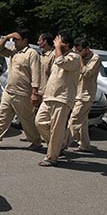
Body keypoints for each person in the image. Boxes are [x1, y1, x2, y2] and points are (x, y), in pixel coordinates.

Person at [0, 29, 42, 150]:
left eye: (17, 40)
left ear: (25, 40)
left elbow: (36, 74)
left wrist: (35, 92)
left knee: (27, 119)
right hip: (9, 90)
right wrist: (7, 37)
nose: (14, 42)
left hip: (23, 92)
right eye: (13, 40)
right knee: (2, 115)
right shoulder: (14, 51)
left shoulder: (31, 54)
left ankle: (36, 141)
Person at [35, 31, 81, 166]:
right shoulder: (58, 55)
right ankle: (58, 145)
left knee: (56, 129)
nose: (55, 44)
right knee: (40, 122)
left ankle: (51, 157)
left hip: (62, 98)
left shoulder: (74, 57)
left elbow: (62, 62)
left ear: (65, 44)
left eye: (58, 42)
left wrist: (57, 47)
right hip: (49, 96)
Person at [67, 37, 101, 152]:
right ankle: (85, 145)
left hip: (85, 95)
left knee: (74, 120)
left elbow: (86, 73)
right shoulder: (77, 55)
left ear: (87, 48)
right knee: (83, 122)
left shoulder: (95, 58)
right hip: (76, 92)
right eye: (76, 50)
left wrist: (80, 59)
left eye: (80, 50)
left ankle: (61, 144)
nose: (77, 53)